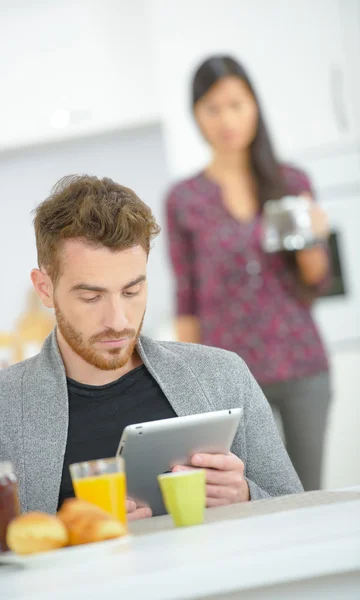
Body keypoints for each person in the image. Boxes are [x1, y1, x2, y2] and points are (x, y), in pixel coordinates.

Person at [0, 175, 302, 552]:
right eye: (92, 297)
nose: (118, 320)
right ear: (45, 288)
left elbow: (299, 512)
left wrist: (245, 496)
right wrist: (70, 534)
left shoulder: (223, 376)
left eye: (132, 291)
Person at [166, 56, 331, 491]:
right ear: (196, 116)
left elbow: (317, 281)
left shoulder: (293, 182)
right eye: (212, 108)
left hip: (302, 367)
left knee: (305, 496)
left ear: (255, 105)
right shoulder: (185, 199)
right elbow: (187, 298)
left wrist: (316, 238)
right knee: (244, 500)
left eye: (236, 104)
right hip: (229, 382)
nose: (227, 120)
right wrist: (187, 386)